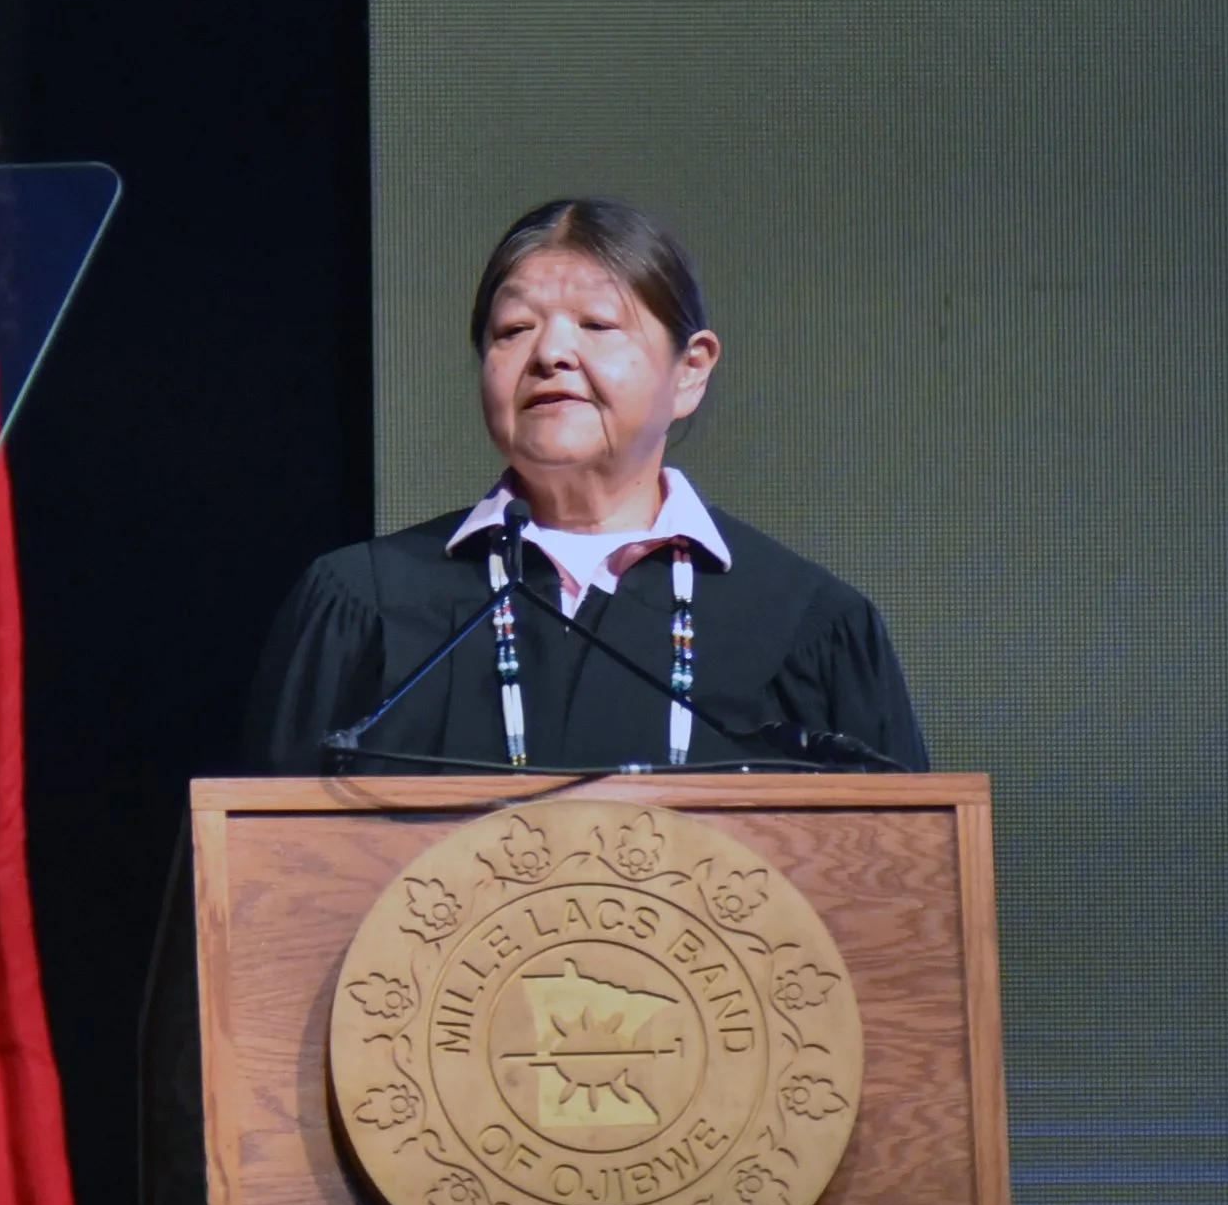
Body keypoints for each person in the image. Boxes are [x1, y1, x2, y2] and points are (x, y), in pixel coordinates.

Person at [245, 197, 927, 775]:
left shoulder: (808, 624)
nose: (550, 354)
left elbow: (904, 873)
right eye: (513, 330)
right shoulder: (363, 604)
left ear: (690, 370)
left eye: (598, 325)